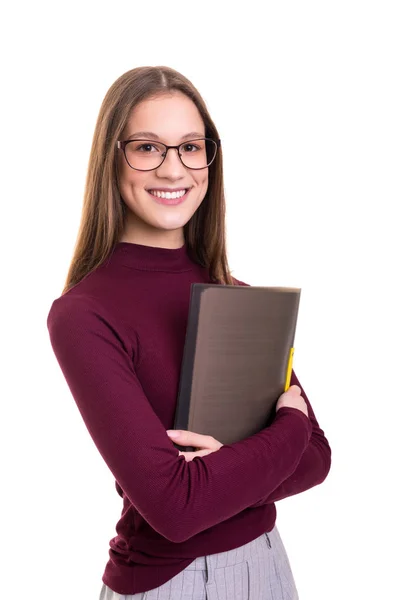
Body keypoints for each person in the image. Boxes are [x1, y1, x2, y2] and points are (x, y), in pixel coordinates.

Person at [46, 65, 331, 600]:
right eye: (148, 147)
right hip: (173, 581)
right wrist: (284, 432)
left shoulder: (233, 292)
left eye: (191, 147)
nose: (174, 169)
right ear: (112, 158)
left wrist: (223, 470)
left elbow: (319, 458)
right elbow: (176, 509)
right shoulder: (84, 314)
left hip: (269, 564)